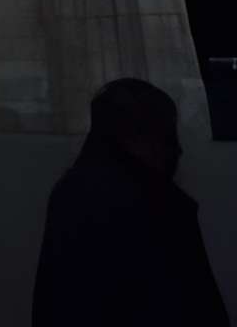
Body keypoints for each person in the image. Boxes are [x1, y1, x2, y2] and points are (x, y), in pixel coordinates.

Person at [32, 78, 226, 326]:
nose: (175, 150)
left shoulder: (72, 193)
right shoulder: (157, 203)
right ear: (141, 137)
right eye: (165, 135)